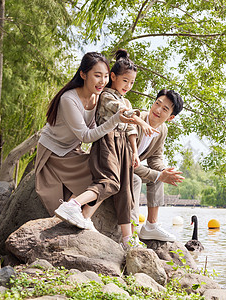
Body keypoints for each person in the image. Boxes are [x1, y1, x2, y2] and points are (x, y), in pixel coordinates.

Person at [54, 49, 158, 249]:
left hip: (124, 146)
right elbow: (123, 113)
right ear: (114, 77)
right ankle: (74, 206)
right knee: (109, 183)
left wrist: (135, 152)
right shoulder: (107, 96)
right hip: (107, 141)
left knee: (125, 190)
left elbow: (129, 129)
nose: (128, 86)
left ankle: (128, 239)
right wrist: (141, 122)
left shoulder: (124, 99)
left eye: (132, 82)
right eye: (124, 80)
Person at [35, 52, 131, 230]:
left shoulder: (97, 97)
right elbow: (86, 136)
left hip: (73, 150)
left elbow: (96, 127)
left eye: (104, 76)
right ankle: (74, 209)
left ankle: (81, 214)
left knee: (109, 174)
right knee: (105, 176)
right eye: (97, 75)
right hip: (55, 152)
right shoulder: (68, 99)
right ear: (83, 74)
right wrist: (115, 120)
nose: (102, 81)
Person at [129, 89, 185, 242]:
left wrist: (164, 170)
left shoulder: (162, 130)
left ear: (171, 117)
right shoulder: (137, 118)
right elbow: (126, 158)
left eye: (165, 109)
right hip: (121, 165)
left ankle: (151, 226)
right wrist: (159, 174)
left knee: (160, 175)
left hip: (133, 167)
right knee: (138, 179)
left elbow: (155, 158)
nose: (158, 110)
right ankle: (131, 231)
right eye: (157, 103)